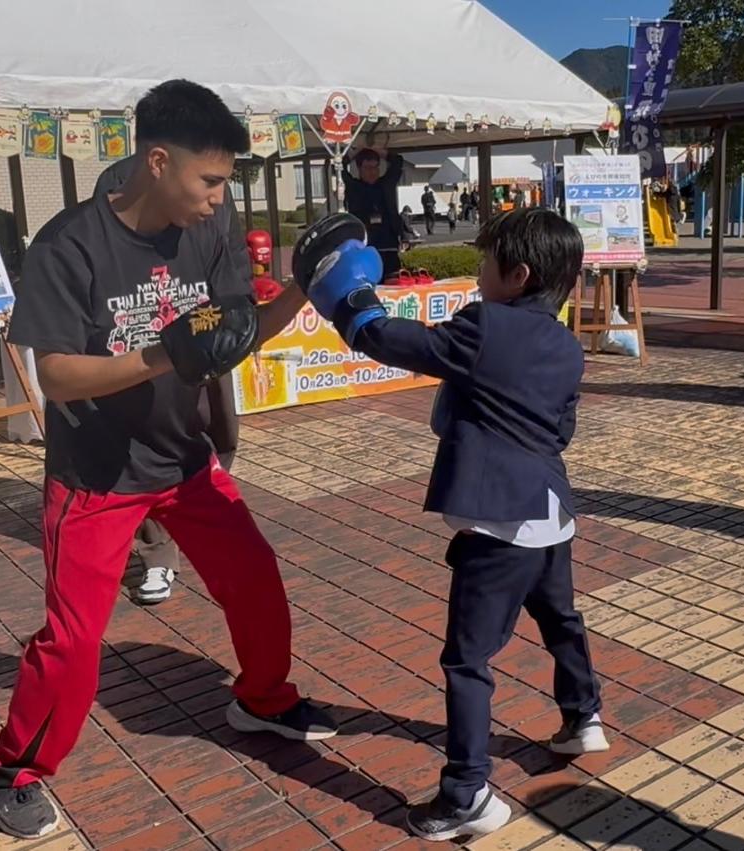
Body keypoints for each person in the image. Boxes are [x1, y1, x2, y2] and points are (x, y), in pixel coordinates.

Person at [0, 80, 337, 840]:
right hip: (96, 476)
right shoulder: (68, 244)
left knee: (256, 579)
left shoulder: (208, 227)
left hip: (184, 458)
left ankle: (263, 699)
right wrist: (159, 352)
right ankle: (16, 770)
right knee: (72, 639)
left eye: (225, 184)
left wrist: (311, 280)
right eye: (209, 181)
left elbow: (234, 331)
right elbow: (58, 374)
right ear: (157, 161)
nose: (218, 198)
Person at [290, 208, 606, 842]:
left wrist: (349, 295)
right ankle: (583, 718)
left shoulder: (489, 324)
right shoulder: (567, 345)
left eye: (485, 264)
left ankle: (466, 793)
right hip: (553, 514)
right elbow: (562, 429)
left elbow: (388, 340)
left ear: (516, 275)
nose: (478, 277)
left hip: (500, 527)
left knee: (467, 662)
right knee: (561, 619)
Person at [92, 153, 241, 605]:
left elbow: (228, 249)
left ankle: (196, 513)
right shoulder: (116, 180)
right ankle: (158, 552)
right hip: (149, 336)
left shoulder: (212, 180)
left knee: (218, 428)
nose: (213, 197)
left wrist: (237, 311)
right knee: (151, 439)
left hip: (208, 326)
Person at [340, 146, 406, 280]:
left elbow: (398, 161)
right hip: (365, 246)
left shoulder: (386, 184)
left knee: (393, 281)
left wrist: (376, 150)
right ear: (359, 169)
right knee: (370, 282)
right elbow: (337, 167)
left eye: (376, 167)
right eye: (368, 168)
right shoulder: (354, 186)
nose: (373, 172)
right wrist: (355, 153)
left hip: (389, 245)